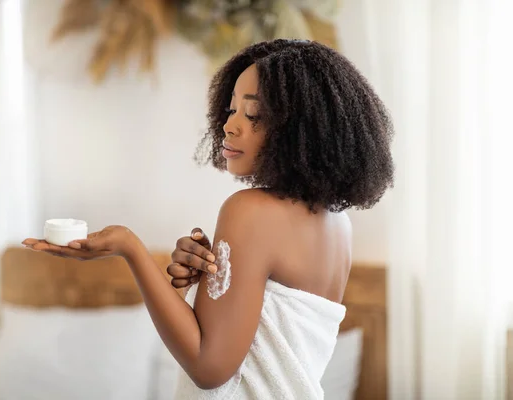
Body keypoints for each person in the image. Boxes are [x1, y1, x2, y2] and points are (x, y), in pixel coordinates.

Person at [23, 38, 394, 399]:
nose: (230, 126)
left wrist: (129, 247)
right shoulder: (337, 223)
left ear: (302, 129)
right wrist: (192, 288)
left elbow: (208, 369)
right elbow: (266, 336)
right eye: (231, 109)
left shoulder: (249, 211)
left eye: (254, 115)